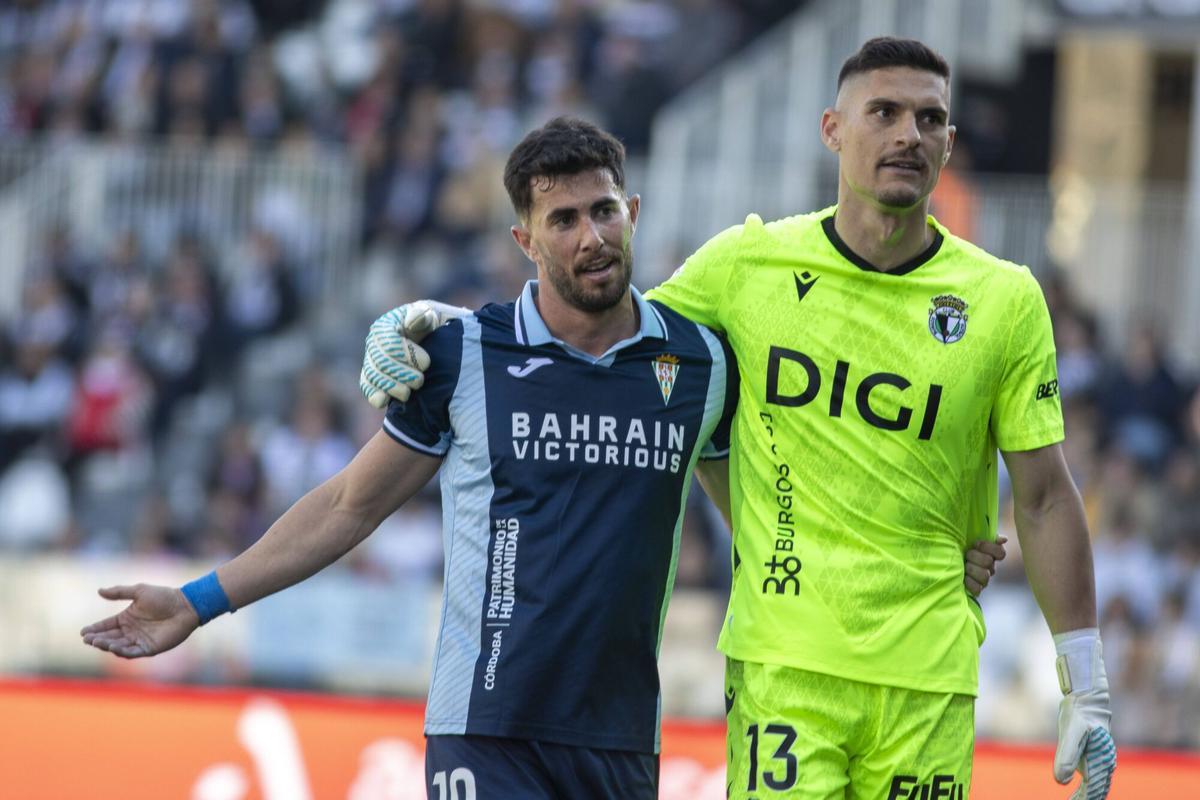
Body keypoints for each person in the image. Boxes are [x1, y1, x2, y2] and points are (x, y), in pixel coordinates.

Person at [82, 117, 1003, 800]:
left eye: (604, 210)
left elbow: (770, 499)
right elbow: (349, 507)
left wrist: (922, 549)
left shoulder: (702, 365)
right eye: (563, 220)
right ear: (526, 241)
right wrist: (200, 601)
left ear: (633, 209)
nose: (591, 236)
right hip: (490, 731)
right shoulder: (464, 355)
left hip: (619, 742)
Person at [357, 39, 1114, 800]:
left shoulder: (1006, 300)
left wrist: (1086, 682)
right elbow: (598, 327)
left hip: (930, 674)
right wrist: (441, 321)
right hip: (782, 667)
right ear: (832, 129)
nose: (907, 135)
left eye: (929, 120)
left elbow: (1046, 495)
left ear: (950, 143)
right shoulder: (745, 266)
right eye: (883, 112)